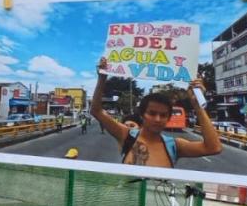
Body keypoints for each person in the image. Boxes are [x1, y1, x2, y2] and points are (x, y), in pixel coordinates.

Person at [90, 59, 220, 167]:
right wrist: (102, 78)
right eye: (152, 113)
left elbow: (213, 148)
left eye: (163, 115)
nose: (157, 119)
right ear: (142, 115)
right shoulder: (127, 135)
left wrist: (198, 106)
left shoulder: (174, 146)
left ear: (168, 118)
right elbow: (96, 111)